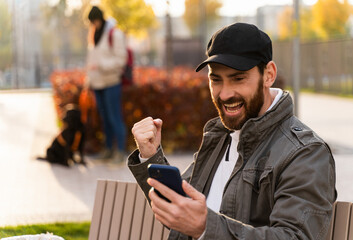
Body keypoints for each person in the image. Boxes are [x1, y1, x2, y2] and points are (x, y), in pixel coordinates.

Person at [128, 23, 336, 239]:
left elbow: (295, 236)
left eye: (238, 78)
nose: (225, 94)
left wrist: (206, 228)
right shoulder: (220, 136)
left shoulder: (306, 153)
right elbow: (183, 211)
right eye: (215, 79)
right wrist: (151, 156)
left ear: (268, 75)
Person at [86, 6, 128, 162]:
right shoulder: (94, 34)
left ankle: (120, 152)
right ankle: (108, 149)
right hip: (97, 84)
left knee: (114, 117)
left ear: (99, 19)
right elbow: (91, 59)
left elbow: (121, 60)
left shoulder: (114, 33)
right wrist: (88, 79)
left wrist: (102, 65)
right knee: (104, 119)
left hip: (111, 82)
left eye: (94, 21)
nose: (93, 25)